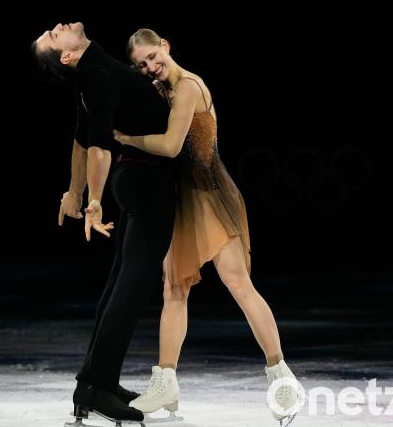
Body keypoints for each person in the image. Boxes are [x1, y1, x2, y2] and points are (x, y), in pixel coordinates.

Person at [114, 28, 301, 424]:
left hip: (211, 198)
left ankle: (281, 374)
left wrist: (124, 138)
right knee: (173, 290)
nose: (150, 67)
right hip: (183, 202)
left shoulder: (188, 87)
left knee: (238, 285)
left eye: (151, 56)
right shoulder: (162, 91)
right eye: (141, 65)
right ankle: (166, 381)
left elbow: (170, 147)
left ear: (164, 44)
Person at [32, 22, 179, 425]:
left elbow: (80, 141)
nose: (57, 26)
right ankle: (95, 388)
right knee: (130, 290)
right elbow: (95, 145)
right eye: (52, 33)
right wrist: (92, 200)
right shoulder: (95, 74)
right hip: (147, 184)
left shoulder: (94, 74)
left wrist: (74, 193)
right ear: (66, 55)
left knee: (120, 283)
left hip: (139, 181)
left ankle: (97, 385)